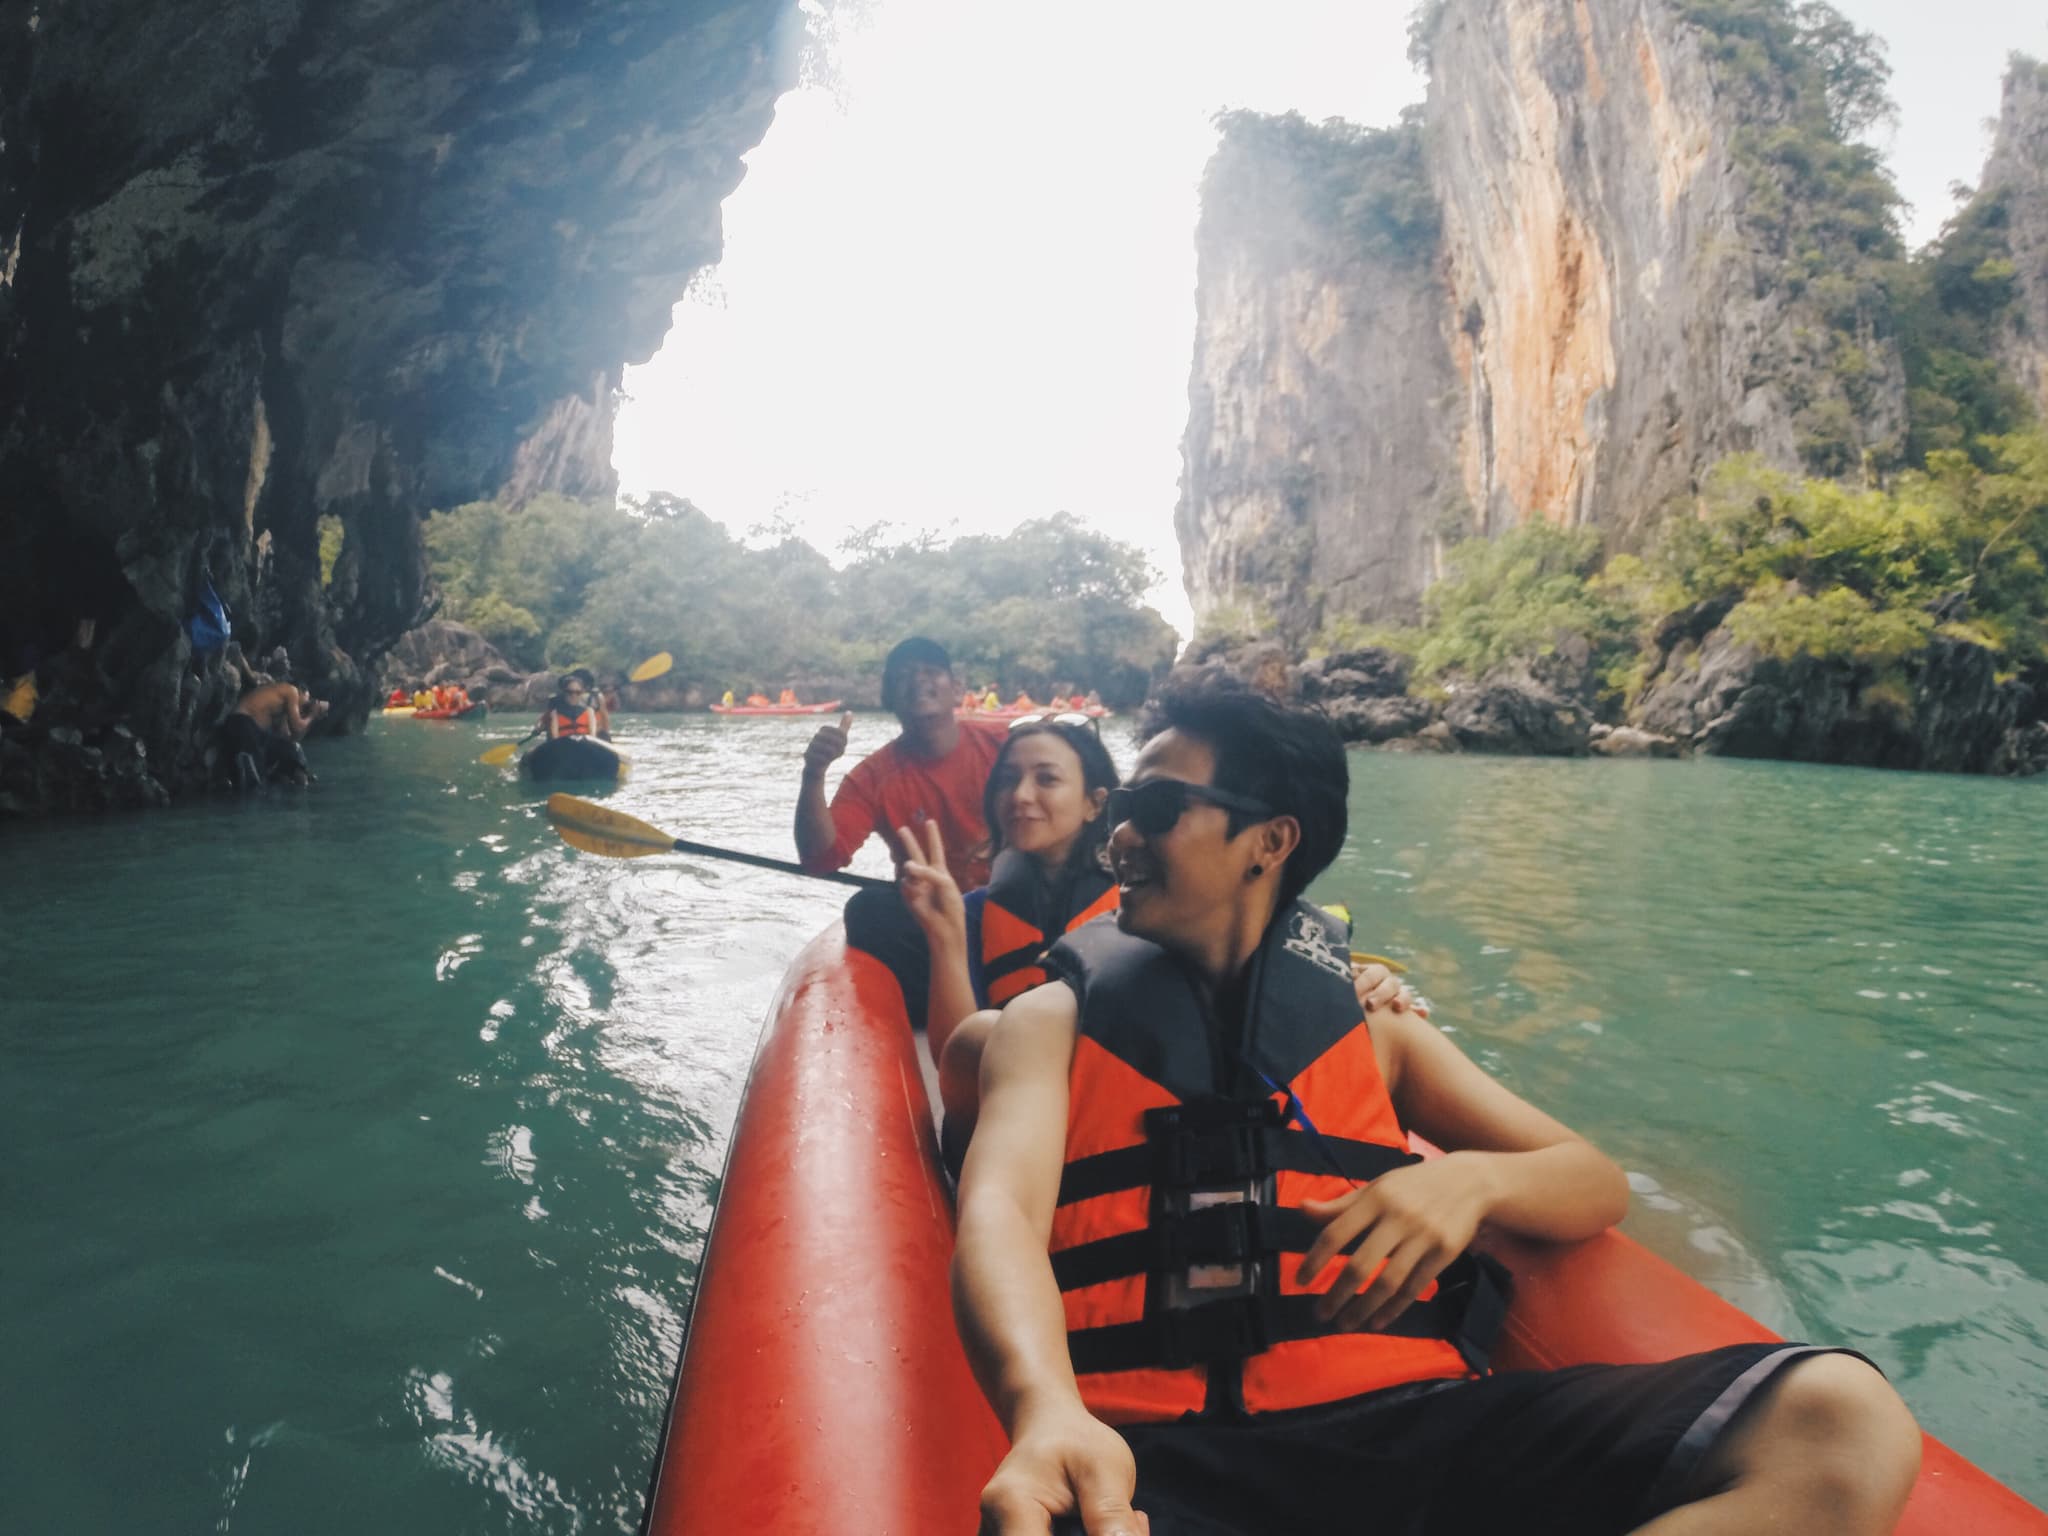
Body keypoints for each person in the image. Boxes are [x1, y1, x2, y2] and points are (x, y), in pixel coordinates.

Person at [952, 669, 1921, 1536]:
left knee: (1841, 1421)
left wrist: (1465, 1185)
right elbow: (999, 1210)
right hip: (1153, 1460)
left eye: (1156, 806)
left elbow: (1588, 1181)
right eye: (1121, 802)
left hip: (1411, 1435)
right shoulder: (1052, 1022)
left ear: (1269, 842)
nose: (1117, 833)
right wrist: (1045, 1407)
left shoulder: (1376, 1034)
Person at [899, 717, 1420, 1179]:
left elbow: (1259, 952)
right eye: (1008, 779)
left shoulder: (1165, 905)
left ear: (1092, 804)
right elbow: (961, 1070)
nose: (1020, 796)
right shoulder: (1025, 987)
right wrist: (945, 938)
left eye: (1047, 778)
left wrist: (1470, 1180)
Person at [794, 636, 1009, 1023]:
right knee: (868, 910)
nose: (918, 682)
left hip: (1013, 905)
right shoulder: (874, 777)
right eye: (903, 677)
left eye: (930, 672)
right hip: (938, 924)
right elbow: (820, 858)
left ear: (956, 687)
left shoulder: (1005, 745)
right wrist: (814, 774)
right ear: (888, 696)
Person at [219, 671, 328, 790]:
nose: (304, 707)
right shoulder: (291, 691)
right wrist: (312, 714)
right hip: (243, 726)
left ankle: (299, 779)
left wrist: (312, 718)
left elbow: (292, 738)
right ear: (300, 691)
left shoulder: (279, 706)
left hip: (253, 733)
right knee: (254, 784)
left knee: (291, 750)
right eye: (306, 702)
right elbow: (297, 726)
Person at [544, 675, 599, 739]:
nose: (574, 695)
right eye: (570, 692)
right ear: (564, 692)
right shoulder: (555, 713)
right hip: (563, 745)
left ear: (582, 693)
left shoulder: (590, 712)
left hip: (584, 746)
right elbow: (555, 738)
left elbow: (593, 737)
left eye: (578, 692)